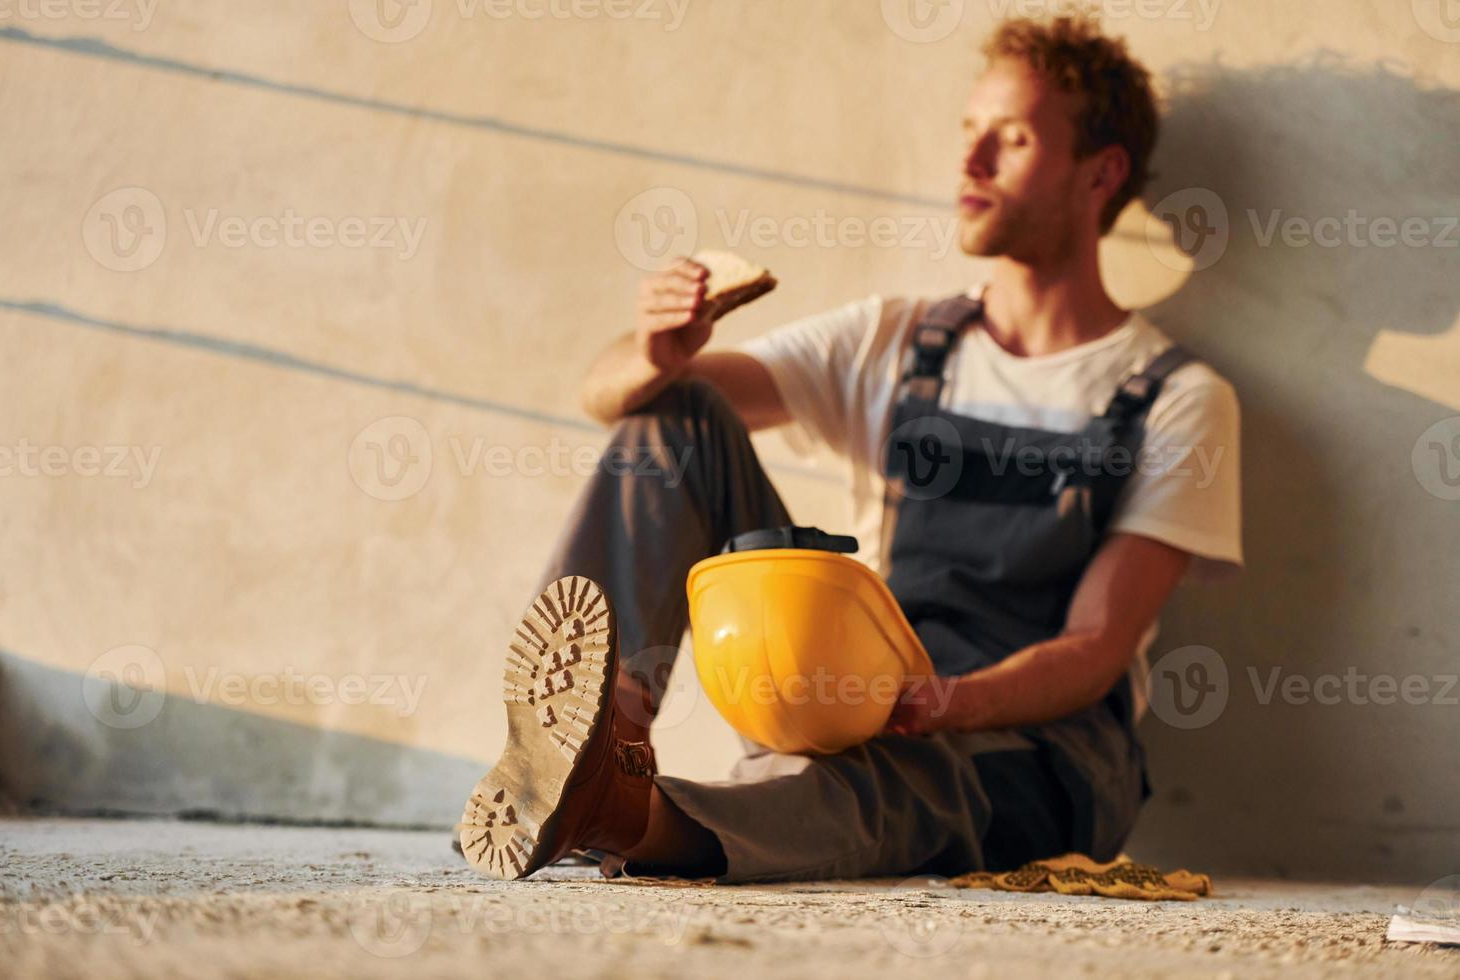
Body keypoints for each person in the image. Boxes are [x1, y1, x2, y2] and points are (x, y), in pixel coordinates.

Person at [457, 13, 1243, 884]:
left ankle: (619, 814)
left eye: (1010, 141)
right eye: (969, 133)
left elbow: (1095, 646)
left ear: (1101, 173)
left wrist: (936, 703)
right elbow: (612, 399)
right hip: (873, 687)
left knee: (890, 784)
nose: (970, 163)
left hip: (1041, 750)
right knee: (673, 413)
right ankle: (599, 738)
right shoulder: (899, 339)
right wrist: (654, 352)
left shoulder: (1177, 397)